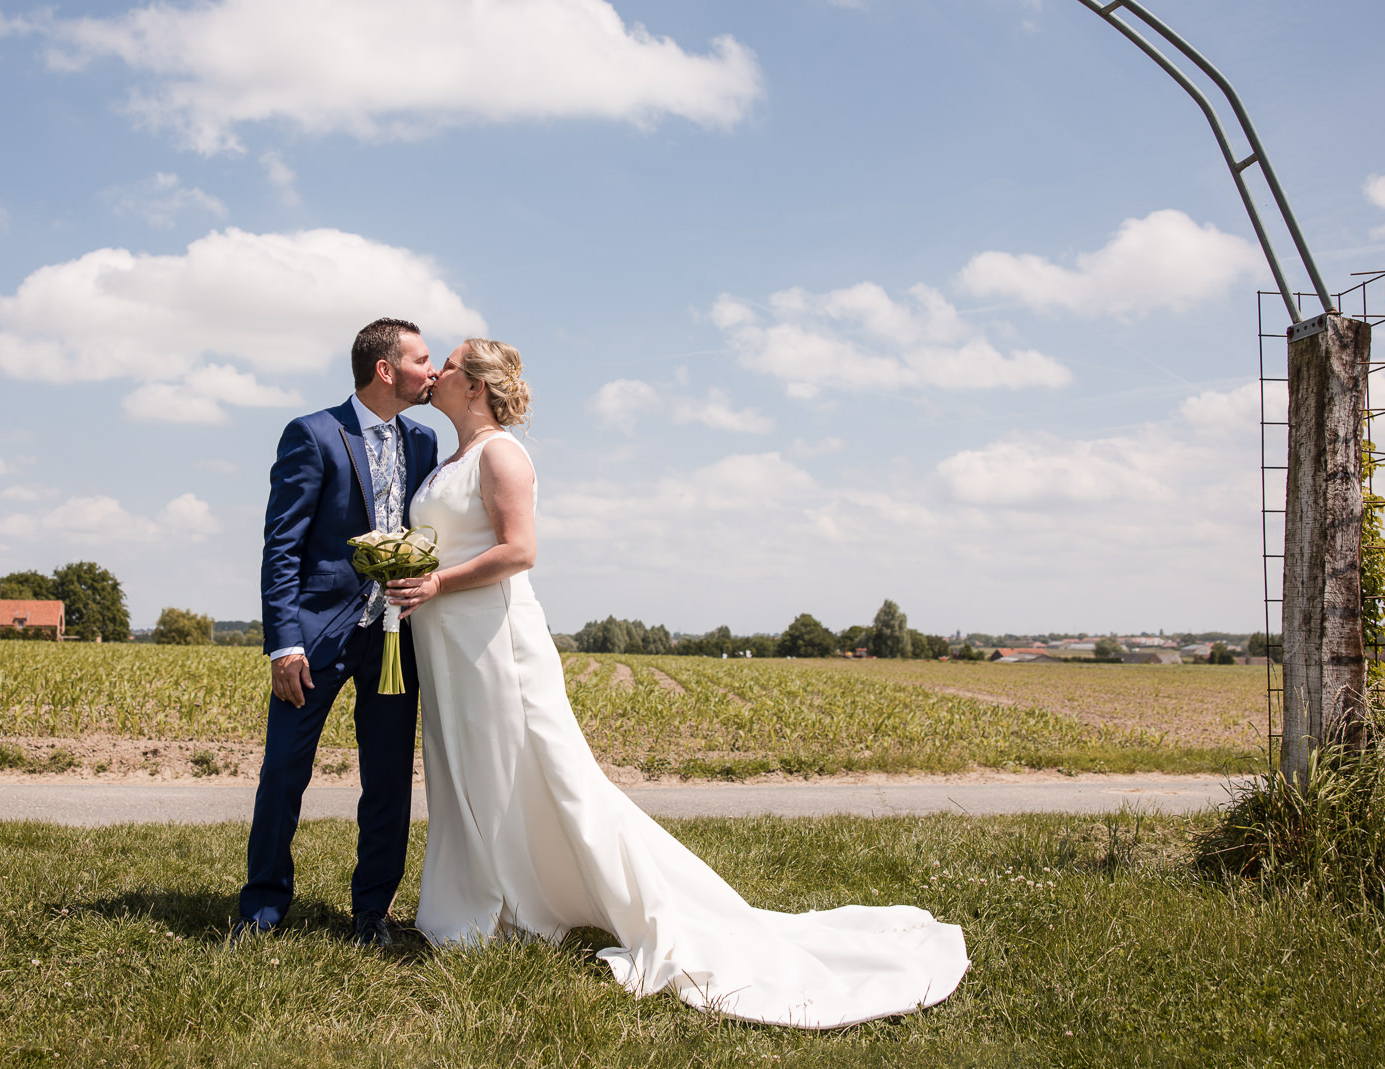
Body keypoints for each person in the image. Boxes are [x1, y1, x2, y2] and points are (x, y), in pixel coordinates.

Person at [384, 338, 970, 1029]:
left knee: (544, 775)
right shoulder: (446, 458)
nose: (438, 372)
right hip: (448, 645)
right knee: (471, 771)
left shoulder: (501, 454)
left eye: (450, 363)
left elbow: (521, 550)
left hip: (496, 642)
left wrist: (438, 581)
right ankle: (492, 901)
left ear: (477, 385)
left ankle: (586, 901)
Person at [235, 318, 440, 946]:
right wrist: (285, 642)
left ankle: (371, 911)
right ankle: (262, 909)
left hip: (393, 637)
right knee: (283, 772)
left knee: (387, 779)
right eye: (422, 359)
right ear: (386, 369)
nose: (432, 372)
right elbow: (282, 547)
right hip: (316, 636)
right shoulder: (314, 434)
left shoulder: (426, 442)